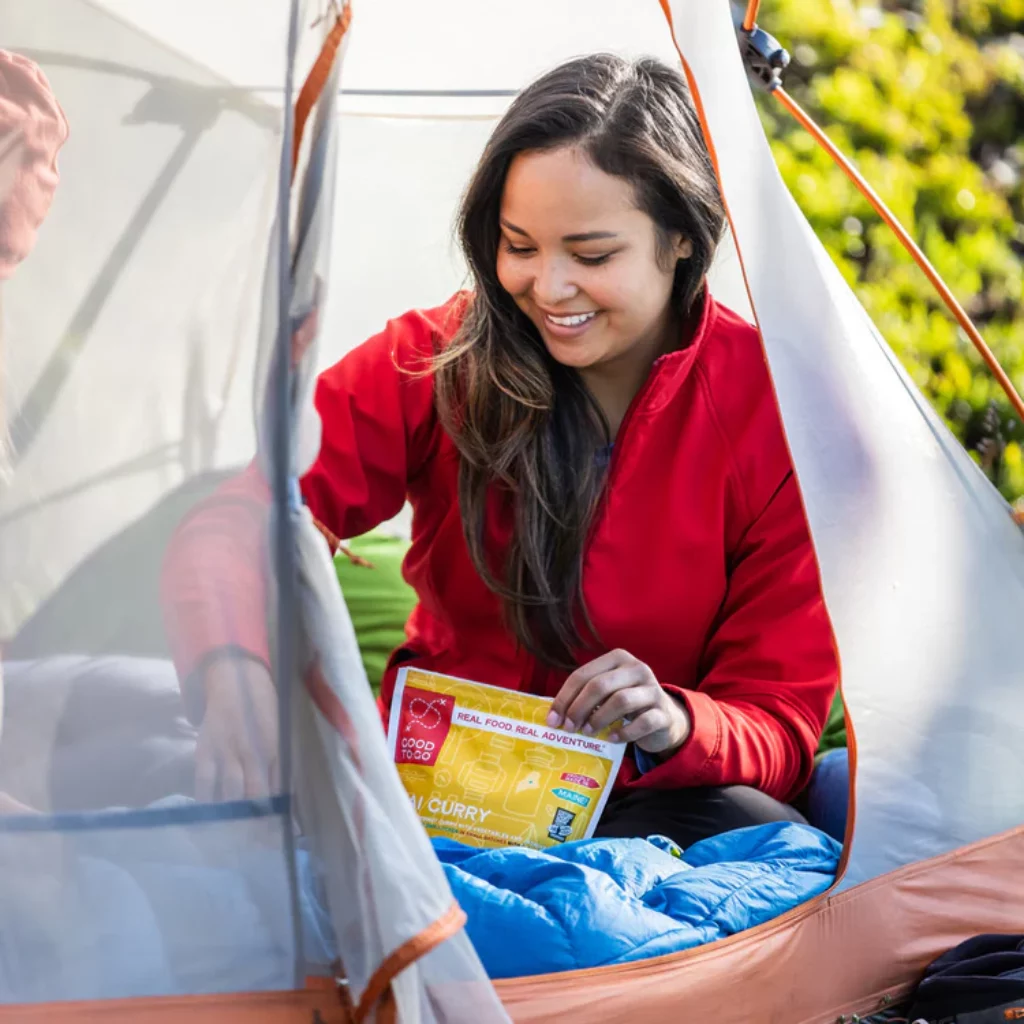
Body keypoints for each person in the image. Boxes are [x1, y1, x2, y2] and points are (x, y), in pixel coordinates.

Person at [162, 53, 841, 849]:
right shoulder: (438, 358)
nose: (548, 289)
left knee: (762, 830)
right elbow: (245, 518)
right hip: (429, 788)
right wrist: (234, 668)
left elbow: (781, 720)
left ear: (684, 239)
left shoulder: (782, 418)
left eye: (591, 256)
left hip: (637, 803)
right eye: (519, 246)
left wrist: (677, 720)